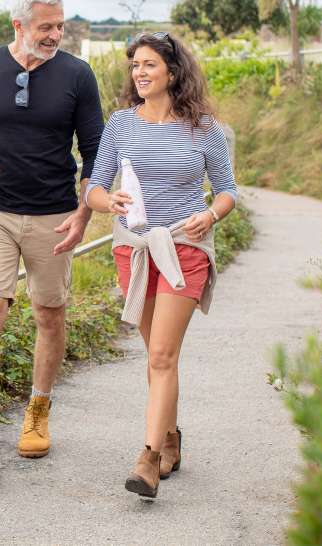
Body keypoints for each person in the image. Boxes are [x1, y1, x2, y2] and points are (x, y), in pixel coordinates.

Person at [0, 0, 104, 474]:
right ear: (18, 26)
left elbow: (94, 151)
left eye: (60, 26)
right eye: (46, 27)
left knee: (49, 314)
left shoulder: (77, 75)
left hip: (53, 214)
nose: (56, 35)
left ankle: (38, 412)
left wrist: (83, 214)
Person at [85, 31, 237, 498]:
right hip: (135, 250)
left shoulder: (205, 128)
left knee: (162, 356)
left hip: (183, 250)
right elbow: (92, 186)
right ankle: (170, 437)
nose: (140, 73)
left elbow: (229, 189)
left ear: (172, 71)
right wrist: (107, 200)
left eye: (149, 64)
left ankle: (148, 458)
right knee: (156, 357)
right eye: (135, 66)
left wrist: (210, 213)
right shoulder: (120, 125)